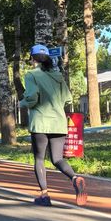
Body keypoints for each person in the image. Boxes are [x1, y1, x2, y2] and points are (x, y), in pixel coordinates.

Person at [19, 44, 88, 207]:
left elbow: (32, 98)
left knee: (39, 159)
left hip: (41, 122)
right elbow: (68, 99)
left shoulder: (31, 75)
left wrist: (21, 103)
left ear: (32, 58)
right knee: (57, 159)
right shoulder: (58, 76)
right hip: (58, 122)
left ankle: (44, 195)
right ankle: (75, 178)